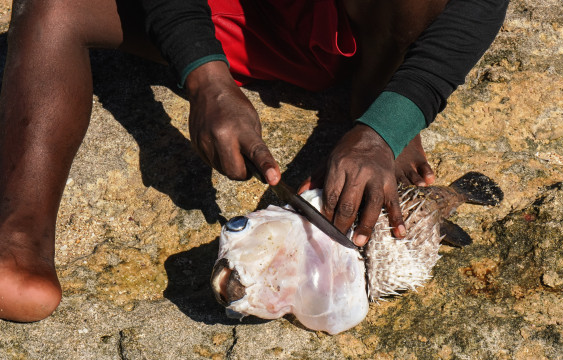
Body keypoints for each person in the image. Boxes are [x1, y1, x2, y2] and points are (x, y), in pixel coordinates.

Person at [0, 0, 508, 322]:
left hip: (362, 30)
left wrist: (390, 123)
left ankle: (377, 98)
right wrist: (204, 72)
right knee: (52, 7)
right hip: (239, 13)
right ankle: (20, 238)